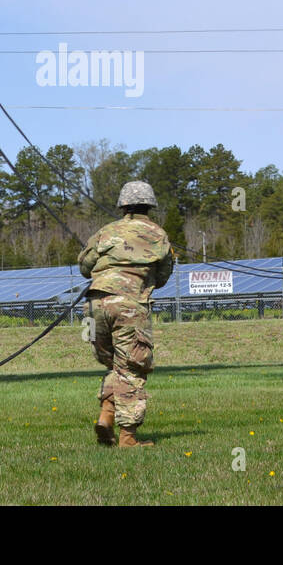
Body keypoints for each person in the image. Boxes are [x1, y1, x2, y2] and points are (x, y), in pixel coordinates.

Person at [78, 181, 174, 447]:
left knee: (117, 366)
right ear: (149, 205)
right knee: (131, 367)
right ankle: (128, 438)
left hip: (94, 306)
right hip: (129, 306)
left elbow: (85, 268)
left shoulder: (106, 232)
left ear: (122, 205)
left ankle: (106, 417)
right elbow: (164, 275)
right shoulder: (158, 234)